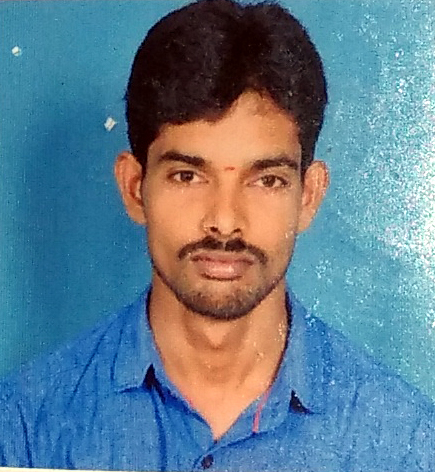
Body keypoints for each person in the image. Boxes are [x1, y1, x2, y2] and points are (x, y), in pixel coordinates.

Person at [0, 0, 434, 470]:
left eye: (266, 180)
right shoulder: (24, 428)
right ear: (134, 188)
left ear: (308, 196)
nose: (225, 222)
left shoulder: (406, 442)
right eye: (187, 176)